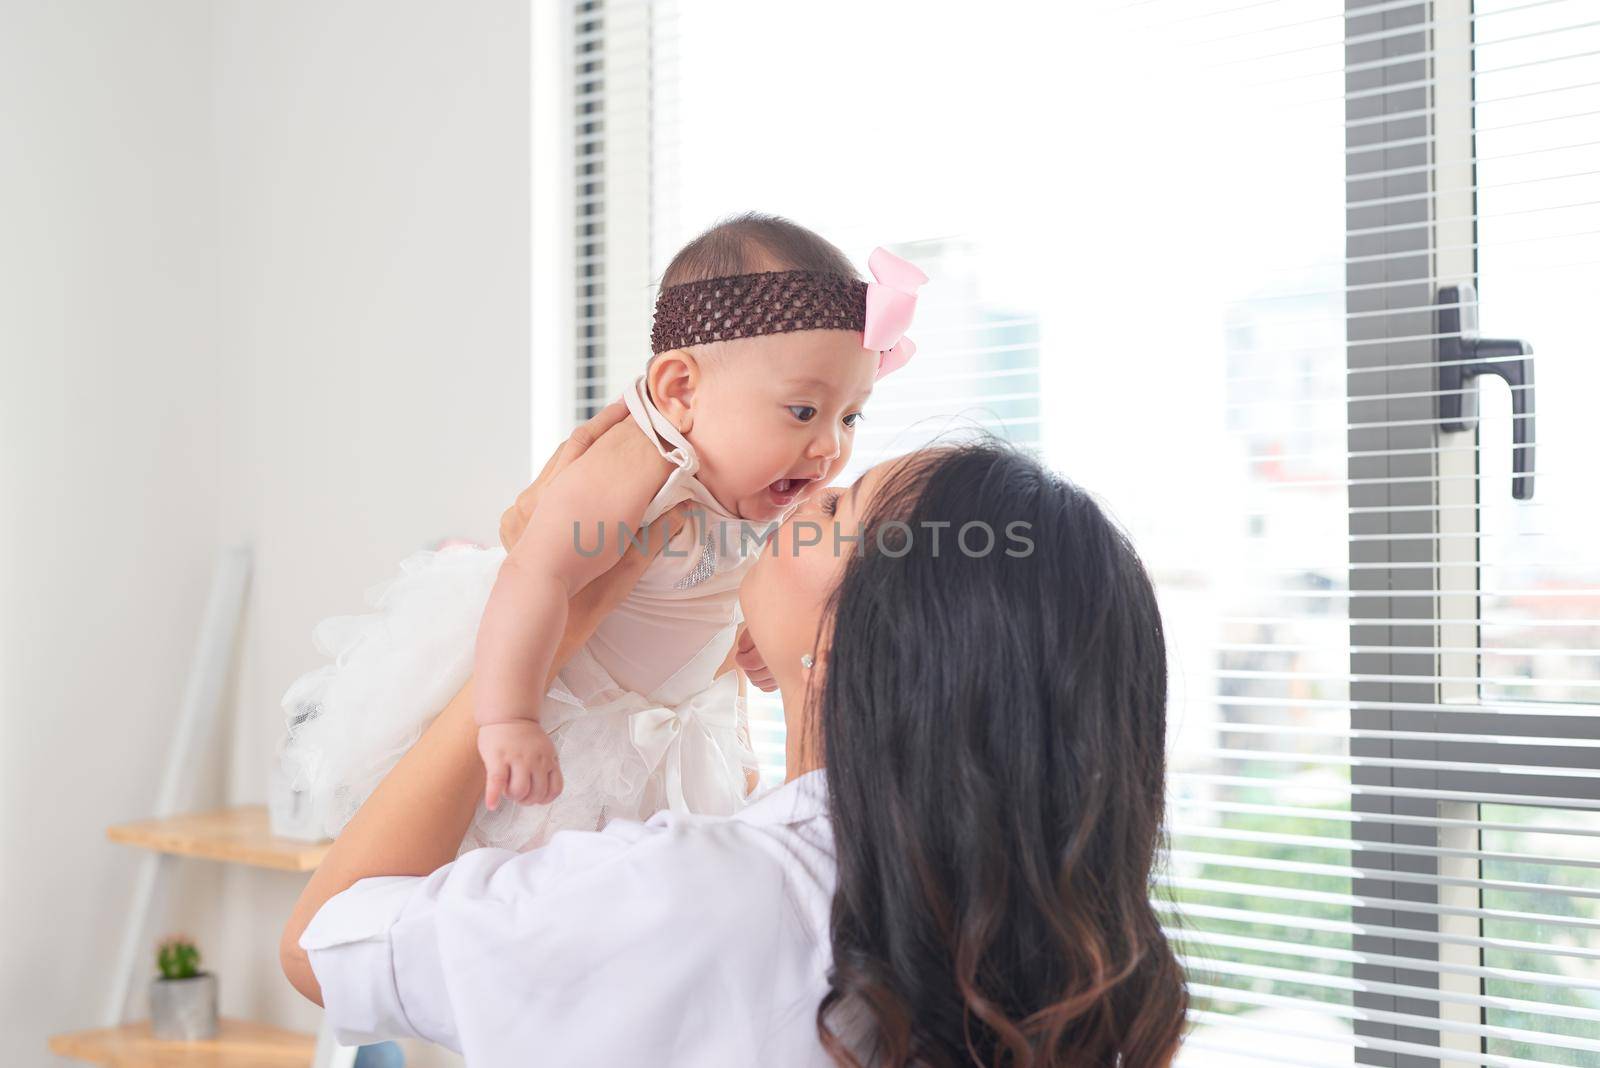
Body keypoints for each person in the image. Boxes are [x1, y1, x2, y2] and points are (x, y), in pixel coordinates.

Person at [280, 409, 1190, 1066]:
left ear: (844, 645)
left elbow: (328, 945)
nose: (808, 488)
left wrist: (546, 626)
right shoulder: (1044, 960)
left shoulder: (695, 895)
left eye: (835, 513)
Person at [276, 212, 928, 853]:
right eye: (805, 411)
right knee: (507, 859)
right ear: (679, 391)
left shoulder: (764, 480)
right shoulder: (640, 460)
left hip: (660, 721)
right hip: (562, 699)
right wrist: (508, 717)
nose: (828, 448)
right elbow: (536, 573)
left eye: (850, 417)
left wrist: (748, 637)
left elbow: (718, 585)